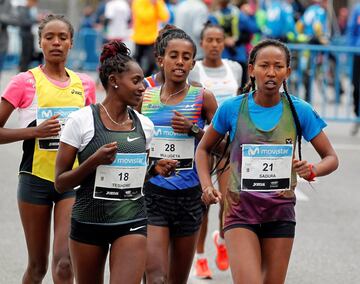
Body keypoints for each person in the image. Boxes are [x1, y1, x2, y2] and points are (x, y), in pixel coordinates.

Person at [195, 39, 338, 284]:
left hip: (280, 214)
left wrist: (312, 169)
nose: (271, 72)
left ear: (287, 72)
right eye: (264, 65)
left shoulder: (299, 110)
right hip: (240, 212)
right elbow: (204, 149)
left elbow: (332, 158)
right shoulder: (232, 108)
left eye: (278, 66)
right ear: (251, 69)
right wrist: (207, 186)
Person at [55, 40, 177, 284]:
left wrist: (153, 170)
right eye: (136, 81)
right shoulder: (81, 121)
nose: (143, 87)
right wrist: (93, 161)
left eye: (143, 80)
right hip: (89, 220)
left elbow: (130, 177)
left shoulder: (145, 125)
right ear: (113, 81)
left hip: (131, 221)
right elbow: (60, 183)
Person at [0, 14, 96, 283]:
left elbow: (91, 132)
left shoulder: (84, 84)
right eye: (49, 37)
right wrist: (34, 132)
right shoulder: (24, 82)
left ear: (71, 43)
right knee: (37, 267)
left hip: (71, 181)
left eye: (62, 38)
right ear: (40, 42)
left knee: (65, 263)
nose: (56, 43)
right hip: (35, 180)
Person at [138, 28, 218, 283]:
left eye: (186, 57)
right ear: (161, 59)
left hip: (189, 197)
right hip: (153, 194)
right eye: (174, 55)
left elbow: (224, 145)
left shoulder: (203, 98)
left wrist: (194, 130)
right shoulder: (145, 97)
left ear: (193, 63)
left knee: (176, 280)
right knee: (156, 276)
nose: (180, 61)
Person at [188, 22, 242, 278]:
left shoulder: (235, 69)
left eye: (218, 40)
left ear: (224, 42)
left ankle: (221, 240)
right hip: (204, 143)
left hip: (228, 144)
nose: (214, 44)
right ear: (202, 42)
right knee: (204, 202)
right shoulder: (194, 69)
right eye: (209, 39)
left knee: (229, 200)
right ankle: (200, 256)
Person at [131, 0, 169, 77]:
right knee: (136, 61)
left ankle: (145, 78)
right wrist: (152, 6)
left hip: (152, 38)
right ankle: (136, 77)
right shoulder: (138, 2)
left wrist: (156, 5)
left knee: (152, 62)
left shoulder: (157, 2)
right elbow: (144, 17)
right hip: (140, 38)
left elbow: (164, 17)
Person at [346, 3, 360, 135]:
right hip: (358, 53)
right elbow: (352, 30)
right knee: (356, 87)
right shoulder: (357, 9)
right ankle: (357, 116)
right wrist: (349, 49)